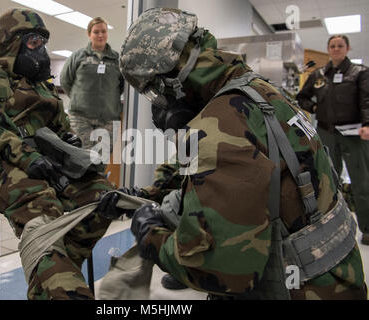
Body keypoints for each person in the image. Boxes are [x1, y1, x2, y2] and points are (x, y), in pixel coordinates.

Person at [113, 8, 367, 299]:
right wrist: (144, 194)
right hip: (339, 275)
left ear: (173, 77)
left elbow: (219, 271)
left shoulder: (221, 128)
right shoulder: (257, 88)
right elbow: (204, 170)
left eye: (154, 91)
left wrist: (150, 237)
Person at [0, 8, 122, 300]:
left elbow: (60, 130)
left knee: (101, 196)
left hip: (49, 166)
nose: (43, 50)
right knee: (43, 207)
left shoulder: (45, 90)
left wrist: (69, 141)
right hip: (2, 167)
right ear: (13, 43)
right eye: (35, 42)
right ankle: (60, 283)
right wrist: (27, 156)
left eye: (43, 43)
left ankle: (53, 276)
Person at [296, 35, 369, 245]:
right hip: (326, 133)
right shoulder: (319, 74)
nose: (336, 49)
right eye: (332, 46)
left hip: (354, 133)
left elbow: (366, 99)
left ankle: (367, 228)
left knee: (362, 181)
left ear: (347, 48)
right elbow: (302, 97)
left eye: (340, 45)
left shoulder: (360, 72)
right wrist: (314, 107)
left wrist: (367, 125)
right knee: (327, 180)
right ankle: (332, 227)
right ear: (328, 49)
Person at [60, 17, 124, 154]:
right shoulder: (78, 56)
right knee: (80, 157)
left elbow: (122, 86)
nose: (100, 35)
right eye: (96, 32)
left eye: (103, 31)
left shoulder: (117, 59)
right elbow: (65, 81)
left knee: (101, 160)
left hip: (109, 119)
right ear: (89, 34)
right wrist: (79, 98)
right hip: (80, 118)